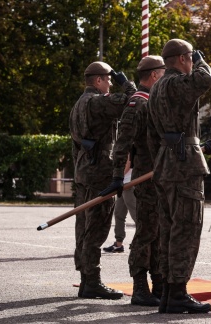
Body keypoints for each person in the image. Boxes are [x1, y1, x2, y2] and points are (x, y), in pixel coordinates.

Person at [146, 39, 211, 314]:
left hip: (165, 162)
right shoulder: (177, 84)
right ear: (183, 59)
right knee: (185, 229)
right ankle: (177, 292)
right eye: (190, 57)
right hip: (184, 164)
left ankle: (166, 292)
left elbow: (152, 135)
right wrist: (201, 61)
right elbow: (205, 80)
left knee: (168, 229)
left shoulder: (156, 89)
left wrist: (161, 159)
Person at [99, 55, 166, 307]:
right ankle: (140, 286)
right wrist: (117, 176)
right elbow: (123, 142)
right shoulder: (138, 103)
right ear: (155, 75)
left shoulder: (155, 101)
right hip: (145, 179)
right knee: (147, 232)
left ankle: (158, 283)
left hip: (159, 176)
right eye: (163, 72)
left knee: (158, 232)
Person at [69, 61, 136, 299]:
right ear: (98, 80)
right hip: (99, 174)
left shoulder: (78, 104)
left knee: (83, 228)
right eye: (108, 79)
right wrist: (126, 83)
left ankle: (86, 278)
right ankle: (92, 281)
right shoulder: (97, 102)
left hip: (83, 171)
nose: (110, 83)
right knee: (96, 228)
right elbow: (134, 100)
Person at [103, 157, 136, 253]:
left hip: (129, 183)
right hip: (122, 184)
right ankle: (118, 244)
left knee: (136, 215)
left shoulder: (128, 143)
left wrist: (118, 176)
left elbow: (129, 162)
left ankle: (142, 240)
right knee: (118, 214)